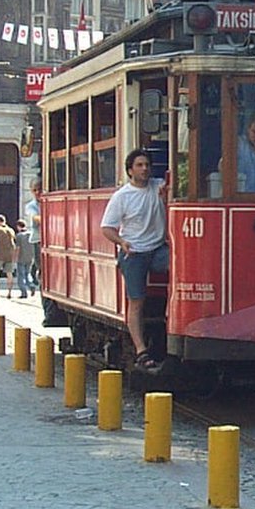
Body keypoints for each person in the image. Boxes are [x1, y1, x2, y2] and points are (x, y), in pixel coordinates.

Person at [100, 148, 169, 369]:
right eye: (139, 165)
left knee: (181, 271)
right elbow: (106, 227)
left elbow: (171, 187)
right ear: (130, 170)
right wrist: (122, 243)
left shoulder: (158, 187)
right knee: (136, 301)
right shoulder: (122, 196)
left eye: (147, 165)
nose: (144, 168)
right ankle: (141, 350)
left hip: (159, 249)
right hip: (134, 252)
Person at [0, 214, 17, 298]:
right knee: (9, 273)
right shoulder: (11, 230)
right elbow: (13, 243)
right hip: (9, 255)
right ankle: (9, 293)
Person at [24, 179, 42, 291]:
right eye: (34, 190)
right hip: (37, 238)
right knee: (40, 264)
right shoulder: (31, 205)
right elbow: (34, 216)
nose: (37, 192)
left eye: (39, 190)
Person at [14, 219, 33, 298]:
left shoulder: (19, 236)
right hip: (30, 257)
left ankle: (24, 292)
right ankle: (31, 285)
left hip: (21, 258)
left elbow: (18, 248)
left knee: (21, 275)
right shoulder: (30, 234)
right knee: (28, 273)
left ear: (18, 226)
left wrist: (15, 257)